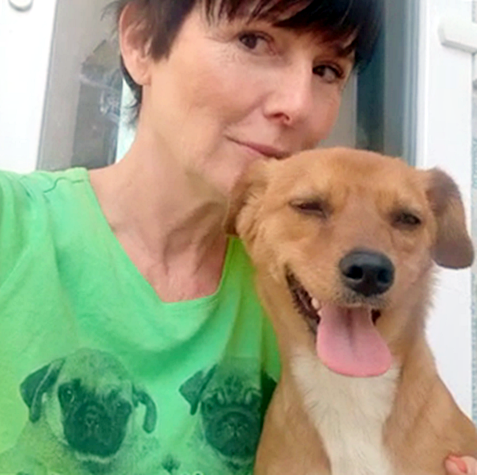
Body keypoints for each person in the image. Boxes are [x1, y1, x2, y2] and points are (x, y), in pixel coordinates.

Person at [0, 0, 474, 474]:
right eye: (253, 41)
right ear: (141, 41)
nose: (298, 103)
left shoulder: (307, 292)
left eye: (327, 70)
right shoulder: (15, 225)